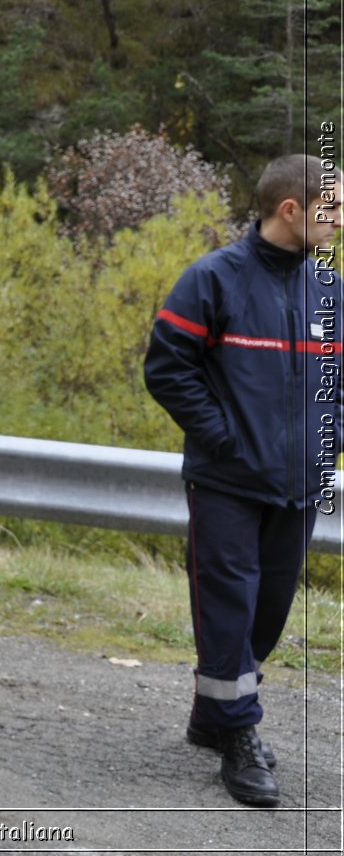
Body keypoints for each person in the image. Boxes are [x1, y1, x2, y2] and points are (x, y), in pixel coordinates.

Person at [144, 152, 341, 808]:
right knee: (229, 605)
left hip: (299, 486)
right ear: (291, 210)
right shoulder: (214, 279)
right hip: (227, 482)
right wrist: (224, 438)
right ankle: (239, 735)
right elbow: (168, 368)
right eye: (330, 208)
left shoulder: (328, 291)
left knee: (268, 611)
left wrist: (328, 441)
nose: (338, 220)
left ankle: (214, 713)